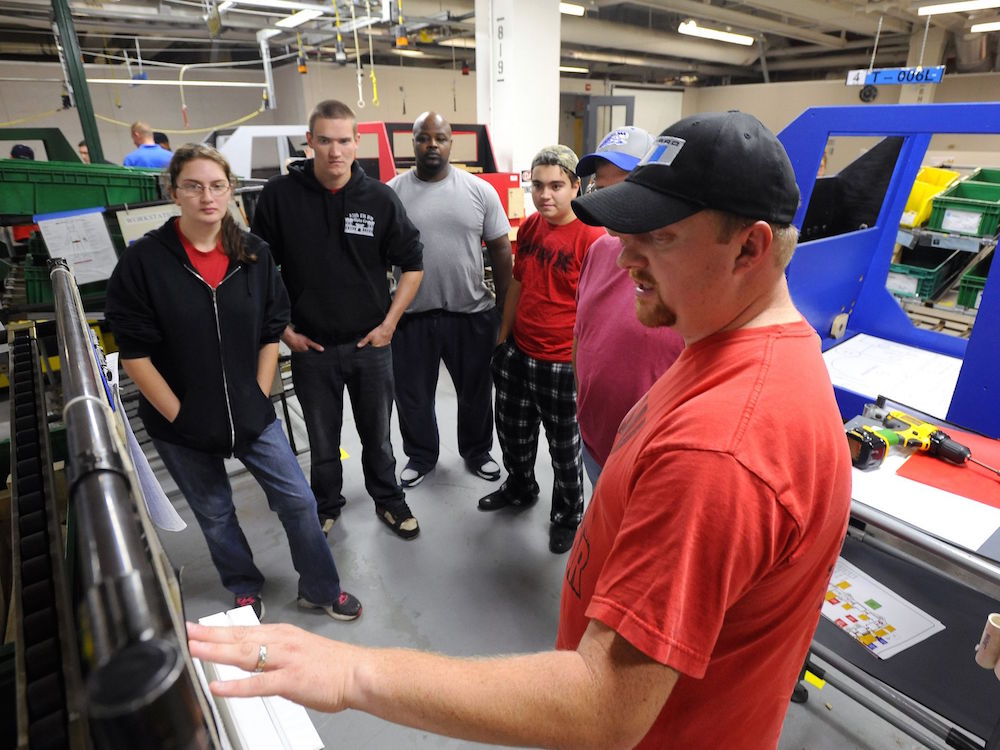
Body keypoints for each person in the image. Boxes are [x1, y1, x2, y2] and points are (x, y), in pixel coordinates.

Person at [187, 111, 851, 750]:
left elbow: (605, 703)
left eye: (660, 237)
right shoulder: (724, 348)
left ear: (749, 247)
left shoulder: (719, 452)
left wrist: (352, 673)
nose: (626, 258)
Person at [105, 144, 362, 623]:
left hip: (251, 412)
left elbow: (270, 331)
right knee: (215, 512)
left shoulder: (253, 254)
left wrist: (257, 397)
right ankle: (243, 586)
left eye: (217, 186)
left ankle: (321, 588)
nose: (207, 197)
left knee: (298, 501)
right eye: (193, 186)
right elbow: (135, 355)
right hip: (179, 423)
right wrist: (182, 418)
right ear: (173, 192)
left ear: (230, 191)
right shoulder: (144, 262)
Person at [251, 99, 424, 539]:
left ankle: (388, 499)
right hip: (311, 349)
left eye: (344, 141)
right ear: (309, 141)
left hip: (371, 346)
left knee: (378, 438)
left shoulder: (379, 198)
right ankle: (326, 504)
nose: (335, 151)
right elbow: (256, 270)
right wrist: (285, 332)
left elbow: (413, 264)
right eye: (325, 141)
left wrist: (389, 325)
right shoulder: (279, 197)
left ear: (357, 142)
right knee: (323, 441)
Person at [479, 144, 603, 554]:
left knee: (564, 448)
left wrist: (582, 364)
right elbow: (517, 284)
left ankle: (567, 515)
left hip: (562, 363)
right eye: (537, 186)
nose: (545, 195)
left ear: (576, 186)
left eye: (555, 186)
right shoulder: (532, 227)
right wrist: (503, 338)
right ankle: (520, 487)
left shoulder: (593, 237)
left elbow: (597, 308)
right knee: (513, 432)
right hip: (518, 352)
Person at [387, 111, 512, 488]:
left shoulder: (479, 191)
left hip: (470, 314)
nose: (432, 145)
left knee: (476, 392)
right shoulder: (391, 193)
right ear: (412, 143)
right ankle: (421, 456)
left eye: (439, 138)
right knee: (413, 396)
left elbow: (501, 250)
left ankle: (477, 452)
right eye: (423, 138)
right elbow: (376, 256)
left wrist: (506, 309)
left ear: (450, 143)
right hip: (412, 317)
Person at [573, 126, 684, 486]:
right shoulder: (599, 250)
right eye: (601, 188)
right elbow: (582, 334)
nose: (608, 202)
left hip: (654, 462)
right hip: (596, 443)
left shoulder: (685, 265)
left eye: (621, 188)